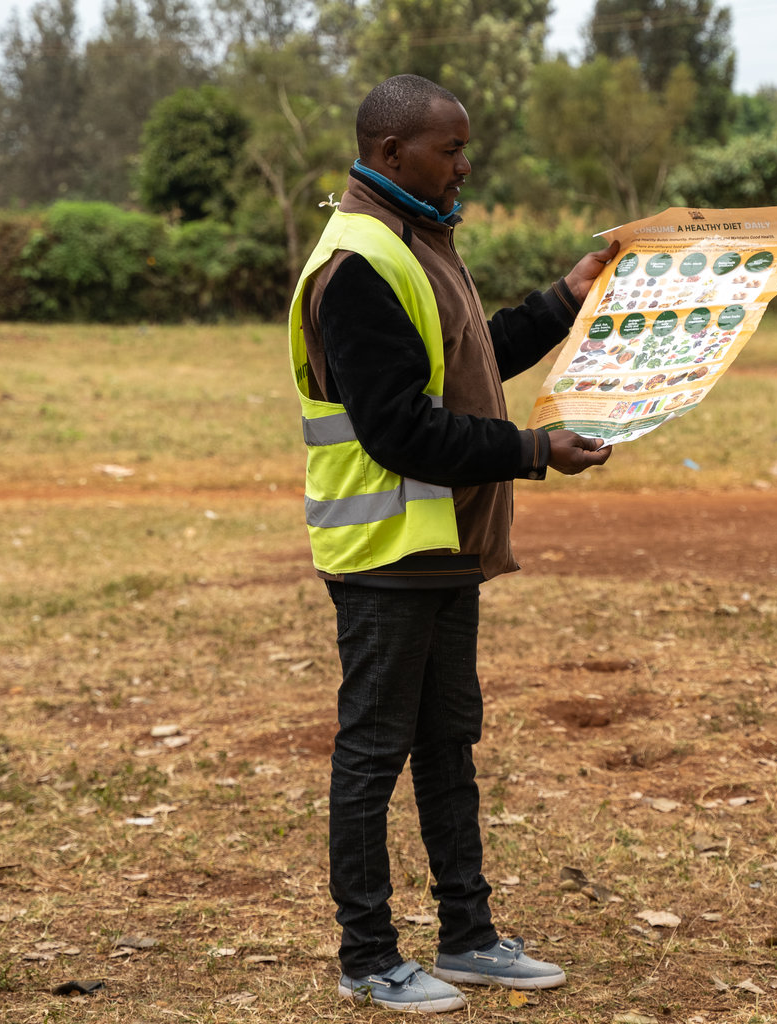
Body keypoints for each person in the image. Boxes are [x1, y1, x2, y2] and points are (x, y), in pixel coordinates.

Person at [287, 74, 616, 1013]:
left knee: (447, 743)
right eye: (451, 149)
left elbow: (472, 360)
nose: (465, 164)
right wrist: (534, 451)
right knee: (374, 750)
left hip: (443, 544)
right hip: (387, 553)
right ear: (393, 155)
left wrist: (564, 298)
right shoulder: (358, 264)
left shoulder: (416, 242)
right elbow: (398, 428)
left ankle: (468, 938)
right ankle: (368, 957)